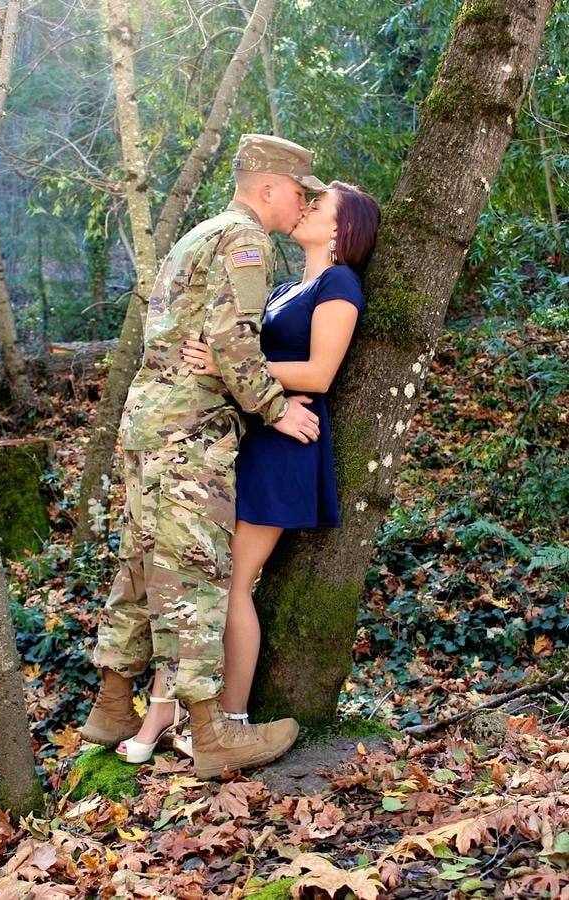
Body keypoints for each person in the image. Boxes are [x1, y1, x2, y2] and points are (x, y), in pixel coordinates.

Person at [81, 134, 327, 780]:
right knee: (194, 575)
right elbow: (231, 340)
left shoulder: (202, 232)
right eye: (300, 192)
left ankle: (111, 705)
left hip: (151, 424)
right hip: (189, 433)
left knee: (141, 563)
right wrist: (278, 408)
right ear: (269, 186)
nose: (301, 205)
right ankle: (213, 734)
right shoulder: (246, 241)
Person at [181, 180, 380, 723]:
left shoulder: (340, 283)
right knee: (221, 577)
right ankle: (205, 713)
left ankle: (233, 718)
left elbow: (319, 373)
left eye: (319, 206)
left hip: (288, 443)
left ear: (341, 228)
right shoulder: (288, 286)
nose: (305, 208)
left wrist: (226, 367)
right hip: (258, 435)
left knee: (236, 581)